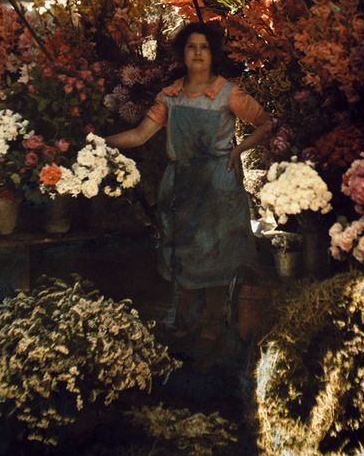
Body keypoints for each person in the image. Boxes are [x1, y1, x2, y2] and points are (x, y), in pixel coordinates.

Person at [106, 22, 272, 346]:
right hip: (182, 185)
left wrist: (239, 149)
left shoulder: (227, 93)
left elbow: (266, 123)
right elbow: (140, 135)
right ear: (182, 53)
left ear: (213, 54)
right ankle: (183, 321)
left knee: (217, 256)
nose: (197, 53)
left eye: (204, 47)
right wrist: (101, 141)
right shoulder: (170, 96)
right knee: (183, 254)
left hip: (219, 185)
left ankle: (212, 323)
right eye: (191, 47)